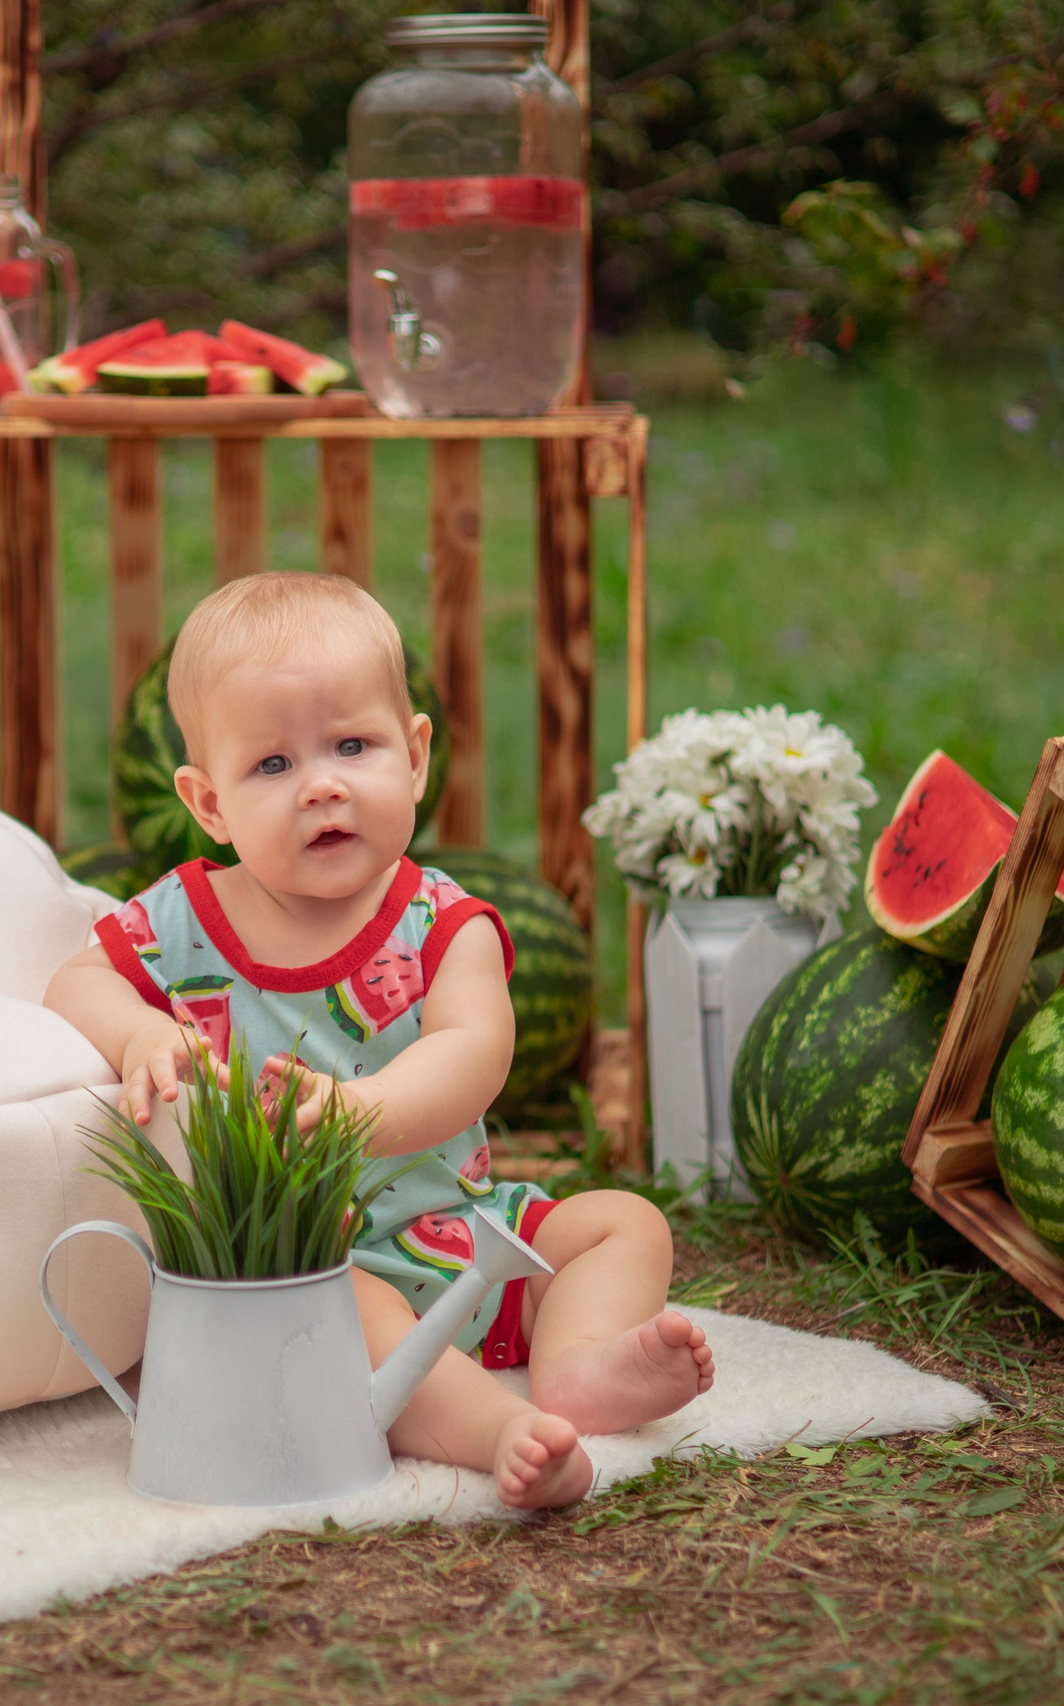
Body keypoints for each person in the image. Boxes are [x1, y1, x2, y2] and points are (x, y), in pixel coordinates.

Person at [46, 573, 713, 1509]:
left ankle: (576, 1369)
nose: (321, 784)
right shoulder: (181, 919)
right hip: (320, 1262)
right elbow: (75, 980)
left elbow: (474, 1053)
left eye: (353, 746)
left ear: (414, 756)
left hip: (478, 1236)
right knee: (354, 1326)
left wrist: (360, 1111)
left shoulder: (443, 920)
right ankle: (499, 1430)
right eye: (272, 766)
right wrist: (139, 1029)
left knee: (623, 1223)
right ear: (207, 804)